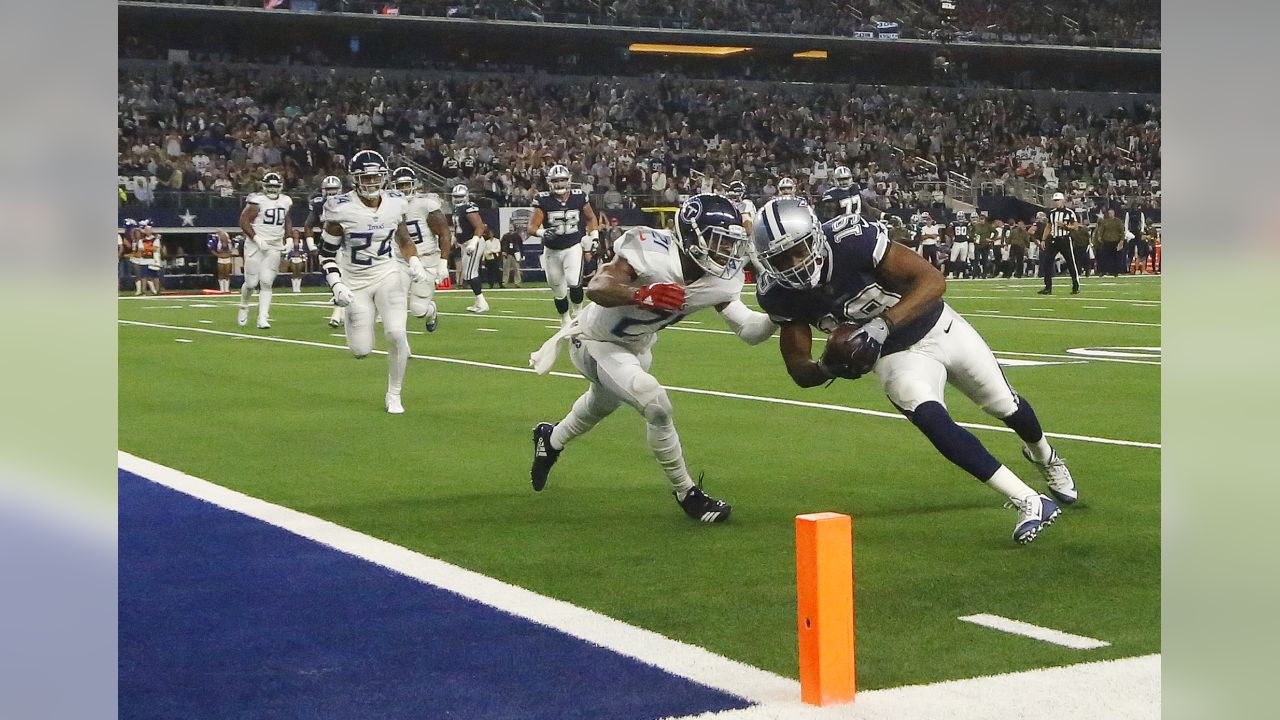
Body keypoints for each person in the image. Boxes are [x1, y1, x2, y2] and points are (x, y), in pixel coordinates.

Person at [751, 197, 1076, 545]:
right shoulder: (779, 294)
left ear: (815, 236)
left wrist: (881, 326)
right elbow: (798, 367)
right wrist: (828, 365)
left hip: (938, 327)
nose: (795, 265)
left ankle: (1046, 456)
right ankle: (1027, 498)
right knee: (931, 420)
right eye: (781, 259)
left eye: (799, 251)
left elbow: (932, 281)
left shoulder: (850, 241)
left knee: (1004, 405)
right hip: (894, 358)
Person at [528, 194, 776, 522]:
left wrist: (777, 315)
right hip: (594, 340)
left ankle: (551, 439)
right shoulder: (652, 251)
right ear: (693, 237)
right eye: (719, 241)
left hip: (637, 348)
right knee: (655, 402)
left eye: (730, 243)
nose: (726, 251)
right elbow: (598, 286)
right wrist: (640, 293)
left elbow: (749, 330)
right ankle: (687, 493)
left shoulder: (721, 279)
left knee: (599, 405)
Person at [318, 150, 430, 415]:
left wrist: (414, 261)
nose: (371, 183)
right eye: (365, 177)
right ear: (355, 179)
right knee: (361, 349)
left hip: (387, 273)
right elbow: (325, 252)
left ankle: (394, 394)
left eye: (376, 177)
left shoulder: (395, 202)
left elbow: (403, 239)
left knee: (396, 333)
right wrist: (336, 284)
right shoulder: (341, 208)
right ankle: (352, 317)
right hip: (354, 281)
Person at [529, 164, 599, 326]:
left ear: (569, 181)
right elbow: (531, 228)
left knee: (574, 281)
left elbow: (590, 217)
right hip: (552, 250)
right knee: (558, 290)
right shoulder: (543, 199)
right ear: (549, 182)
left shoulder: (579, 196)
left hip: (573, 246)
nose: (559, 184)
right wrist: (542, 233)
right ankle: (565, 319)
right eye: (556, 180)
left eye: (562, 180)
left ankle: (579, 313)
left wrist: (594, 236)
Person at [391, 167, 452, 332]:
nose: (404, 189)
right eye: (400, 186)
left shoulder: (425, 204)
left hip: (427, 258)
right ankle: (400, 342)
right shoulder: (389, 206)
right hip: (400, 260)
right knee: (395, 301)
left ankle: (430, 310)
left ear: (414, 185)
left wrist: (443, 263)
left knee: (418, 310)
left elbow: (444, 233)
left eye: (406, 185)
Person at [237, 172, 294, 328]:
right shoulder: (257, 201)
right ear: (263, 186)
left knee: (267, 282)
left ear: (280, 187)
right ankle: (244, 305)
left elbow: (286, 220)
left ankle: (263, 318)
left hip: (274, 244)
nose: (272, 189)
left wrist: (289, 237)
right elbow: (243, 221)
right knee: (251, 283)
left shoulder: (286, 201)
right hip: (255, 244)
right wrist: (256, 238)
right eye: (269, 186)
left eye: (275, 186)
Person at [306, 176, 347, 326]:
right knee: (333, 277)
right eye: (328, 190)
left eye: (333, 190)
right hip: (327, 246)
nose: (331, 193)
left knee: (341, 278)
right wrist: (311, 245)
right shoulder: (318, 204)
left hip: (345, 245)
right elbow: (308, 226)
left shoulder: (348, 203)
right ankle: (340, 310)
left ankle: (337, 314)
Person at [451, 184, 490, 313]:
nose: (458, 199)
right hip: (465, 243)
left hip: (473, 242)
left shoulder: (469, 208)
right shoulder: (457, 210)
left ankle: (482, 303)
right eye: (456, 197)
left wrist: (474, 242)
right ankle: (479, 302)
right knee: (468, 273)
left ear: (466, 196)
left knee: (469, 274)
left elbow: (480, 226)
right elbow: (459, 229)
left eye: (460, 197)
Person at [1038, 192, 1080, 295]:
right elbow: (1049, 226)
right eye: (1055, 201)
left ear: (1063, 201)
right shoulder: (1052, 213)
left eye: (1058, 200)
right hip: (1053, 239)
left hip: (1065, 239)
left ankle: (1076, 286)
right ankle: (1048, 287)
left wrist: (1066, 227)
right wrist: (1043, 239)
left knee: (1071, 262)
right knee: (1047, 262)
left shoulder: (1069, 212)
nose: (1056, 202)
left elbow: (1075, 226)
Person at [1094, 208, 1126, 276]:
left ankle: (1115, 271)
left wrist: (1121, 241)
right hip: (1106, 241)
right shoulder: (1105, 221)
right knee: (1105, 257)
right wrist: (1100, 237)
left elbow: (1122, 231)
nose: (1110, 214)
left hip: (1115, 241)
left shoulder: (1118, 221)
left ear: (1114, 213)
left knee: (1115, 258)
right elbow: (1101, 230)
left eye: (1111, 213)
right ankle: (1104, 271)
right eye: (1109, 213)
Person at [948, 210, 972, 279]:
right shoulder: (953, 223)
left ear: (964, 217)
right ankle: (951, 273)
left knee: (963, 259)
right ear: (957, 217)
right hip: (956, 242)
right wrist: (952, 236)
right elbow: (949, 230)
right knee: (952, 259)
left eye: (962, 216)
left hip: (964, 242)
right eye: (959, 216)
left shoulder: (967, 223)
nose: (960, 218)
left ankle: (961, 274)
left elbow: (971, 229)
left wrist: (968, 235)